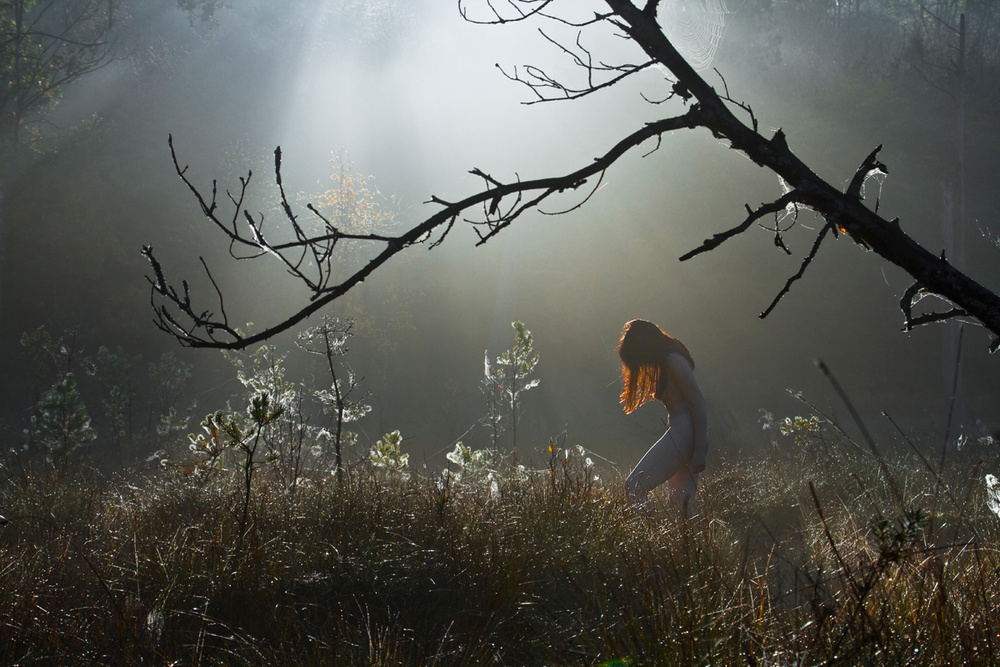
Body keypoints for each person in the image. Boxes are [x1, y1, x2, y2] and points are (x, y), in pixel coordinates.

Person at [618, 319, 708, 513]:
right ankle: (694, 542)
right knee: (682, 504)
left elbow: (698, 402)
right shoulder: (666, 362)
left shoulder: (673, 360)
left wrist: (701, 448)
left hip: (684, 433)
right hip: (681, 431)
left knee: (634, 486)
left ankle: (649, 538)